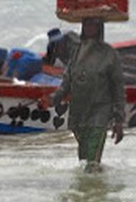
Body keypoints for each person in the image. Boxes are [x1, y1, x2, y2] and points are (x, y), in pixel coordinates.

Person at [47, 18, 125, 173]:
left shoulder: (109, 54)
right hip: (79, 113)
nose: (89, 28)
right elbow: (67, 81)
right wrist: (54, 98)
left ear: (99, 28)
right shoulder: (76, 52)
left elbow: (118, 88)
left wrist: (119, 119)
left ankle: (94, 192)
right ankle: (88, 192)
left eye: (93, 24)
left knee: (92, 160)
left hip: (100, 111)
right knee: (83, 159)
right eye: (86, 24)